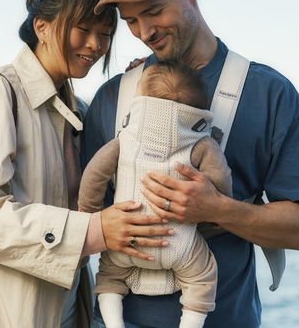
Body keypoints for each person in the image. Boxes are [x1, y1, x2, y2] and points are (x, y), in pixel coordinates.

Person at [0, 0, 173, 328]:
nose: (95, 45)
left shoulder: (80, 111)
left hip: (67, 310)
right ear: (41, 27)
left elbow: (112, 191)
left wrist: (140, 91)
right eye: (83, 28)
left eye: (105, 33)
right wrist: (94, 232)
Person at [82, 0, 299, 327]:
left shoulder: (269, 94)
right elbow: (82, 214)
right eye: (131, 21)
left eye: (154, 12)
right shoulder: (112, 98)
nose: (144, 32)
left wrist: (217, 209)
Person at [79, 61, 233, 328]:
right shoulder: (200, 143)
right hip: (180, 243)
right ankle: (191, 323)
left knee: (109, 276)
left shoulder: (124, 139)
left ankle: (114, 323)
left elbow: (94, 174)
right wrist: (219, 205)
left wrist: (89, 213)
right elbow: (221, 179)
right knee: (202, 277)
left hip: (127, 238)